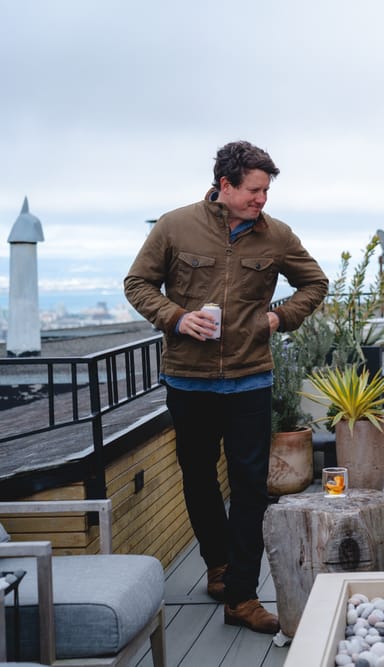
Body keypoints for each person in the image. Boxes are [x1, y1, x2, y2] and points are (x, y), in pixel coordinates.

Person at [124, 140, 328, 634]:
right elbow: (137, 284)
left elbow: (315, 283)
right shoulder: (175, 226)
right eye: (254, 190)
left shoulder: (276, 235)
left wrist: (280, 317)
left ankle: (242, 594)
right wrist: (175, 318)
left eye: (266, 190)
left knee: (251, 487)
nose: (262, 199)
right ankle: (218, 567)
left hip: (249, 378)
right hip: (188, 380)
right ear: (226, 186)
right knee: (197, 478)